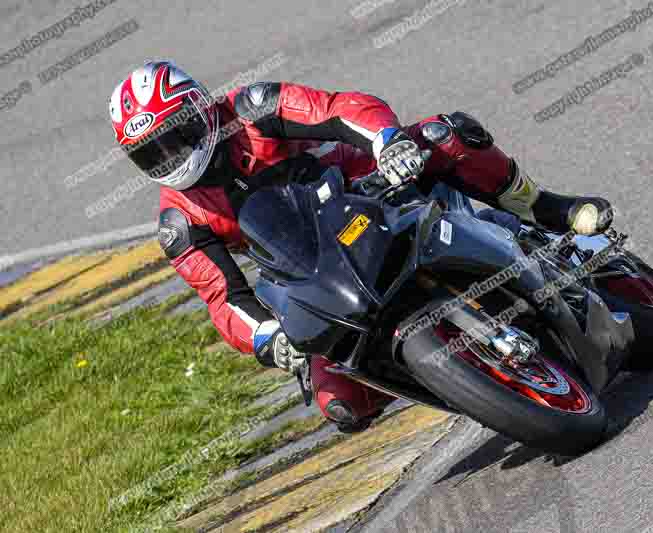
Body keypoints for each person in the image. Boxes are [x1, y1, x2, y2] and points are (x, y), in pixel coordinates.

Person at [108, 61, 613, 432]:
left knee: (445, 135)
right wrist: (266, 338)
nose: (172, 156)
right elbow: (224, 299)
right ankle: (462, 379)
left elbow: (338, 110)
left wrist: (387, 141)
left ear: (200, 107)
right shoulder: (179, 220)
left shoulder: (252, 108)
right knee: (339, 404)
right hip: (315, 269)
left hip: (372, 191)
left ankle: (540, 206)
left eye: (177, 136)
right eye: (152, 152)